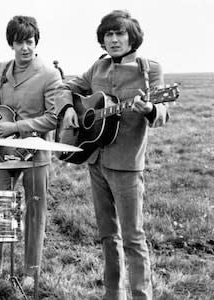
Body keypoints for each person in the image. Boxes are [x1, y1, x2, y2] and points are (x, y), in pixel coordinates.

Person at [0, 15, 74, 289]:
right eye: (19, 42)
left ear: (36, 43)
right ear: (12, 44)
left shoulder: (49, 74)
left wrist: (16, 126)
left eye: (29, 42)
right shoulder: (3, 69)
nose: (25, 48)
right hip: (4, 152)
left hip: (36, 153)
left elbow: (53, 117)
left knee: (34, 212)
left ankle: (31, 271)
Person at [64, 10, 170, 300]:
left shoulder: (148, 68)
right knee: (107, 234)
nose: (113, 39)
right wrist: (71, 109)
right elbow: (68, 88)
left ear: (131, 37)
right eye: (108, 34)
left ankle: (140, 295)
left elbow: (163, 111)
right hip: (95, 159)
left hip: (126, 164)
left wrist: (150, 109)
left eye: (119, 33)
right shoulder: (98, 67)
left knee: (133, 238)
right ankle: (113, 294)